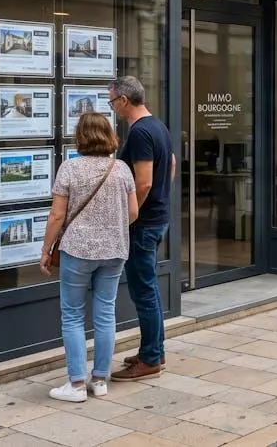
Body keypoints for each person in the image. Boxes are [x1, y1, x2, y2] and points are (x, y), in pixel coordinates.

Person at [41, 112, 139, 402]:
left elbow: (57, 214)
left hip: (78, 250)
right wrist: (111, 228)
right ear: (109, 136)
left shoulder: (70, 169)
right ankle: (100, 380)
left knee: (72, 315)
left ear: (80, 137)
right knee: (105, 313)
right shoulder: (121, 169)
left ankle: (75, 384)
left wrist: (46, 249)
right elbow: (133, 213)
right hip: (115, 251)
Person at [109, 76, 176, 381]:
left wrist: (129, 215)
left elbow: (145, 181)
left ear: (124, 100)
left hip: (143, 224)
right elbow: (172, 164)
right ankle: (154, 349)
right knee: (148, 289)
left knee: (143, 291)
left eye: (113, 102)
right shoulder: (158, 126)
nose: (113, 108)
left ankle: (150, 359)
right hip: (157, 218)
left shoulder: (139, 132)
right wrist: (162, 196)